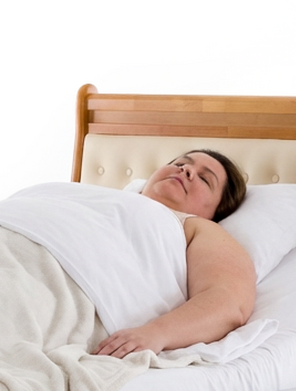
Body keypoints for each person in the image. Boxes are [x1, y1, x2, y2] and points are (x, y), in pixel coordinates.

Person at [94, 149, 254, 359]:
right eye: (180, 164)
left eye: (205, 179)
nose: (186, 170)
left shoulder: (198, 227)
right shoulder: (100, 197)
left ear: (215, 212)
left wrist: (156, 333)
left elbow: (229, 303)